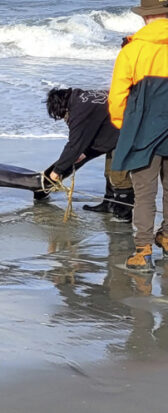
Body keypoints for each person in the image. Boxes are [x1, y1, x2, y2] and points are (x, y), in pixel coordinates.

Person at [109, 0, 168, 272]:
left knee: (144, 194)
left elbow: (117, 97)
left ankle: (143, 251)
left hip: (143, 131)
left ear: (145, 17)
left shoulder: (132, 51)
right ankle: (167, 238)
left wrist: (125, 126)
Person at [42, 88, 133, 222]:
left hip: (128, 130)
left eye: (63, 115)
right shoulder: (81, 98)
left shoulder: (80, 110)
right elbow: (96, 130)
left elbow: (74, 144)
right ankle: (109, 203)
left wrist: (57, 171)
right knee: (109, 172)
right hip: (116, 128)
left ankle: (124, 213)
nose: (65, 119)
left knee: (118, 175)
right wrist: (86, 153)